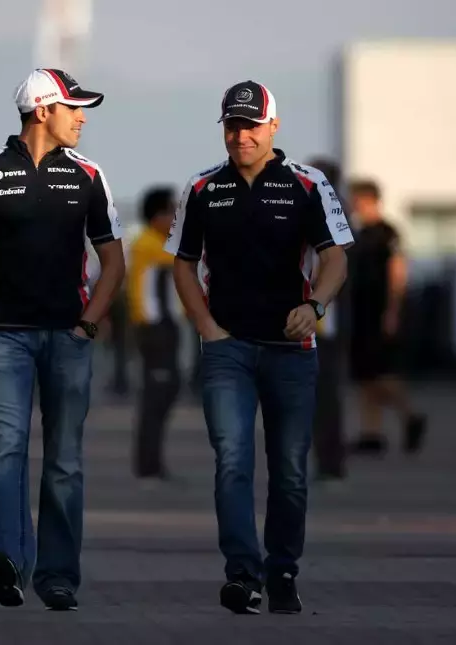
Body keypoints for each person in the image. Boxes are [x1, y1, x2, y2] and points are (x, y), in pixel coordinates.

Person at [0, 68, 124, 611]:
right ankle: (4, 561)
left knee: (64, 461)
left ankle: (57, 576)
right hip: (5, 337)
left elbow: (114, 263)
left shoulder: (89, 175)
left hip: (68, 338)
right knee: (6, 449)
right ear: (42, 110)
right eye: (73, 107)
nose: (82, 117)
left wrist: (88, 323)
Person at [165, 80, 353, 615]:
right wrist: (204, 325)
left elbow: (335, 257)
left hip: (291, 351)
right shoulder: (202, 188)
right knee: (232, 460)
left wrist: (315, 305)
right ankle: (242, 576)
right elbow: (181, 261)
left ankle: (283, 569)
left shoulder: (307, 183)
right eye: (231, 125)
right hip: (226, 350)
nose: (240, 135)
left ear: (273, 126)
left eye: (250, 125)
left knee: (290, 466)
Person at [345, 179, 427, 456]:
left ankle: (411, 415)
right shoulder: (360, 233)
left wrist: (392, 311)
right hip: (361, 312)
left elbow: (397, 272)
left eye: (357, 199)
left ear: (370, 200)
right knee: (365, 375)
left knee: (382, 374)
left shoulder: (386, 232)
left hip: (380, 312)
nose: (354, 205)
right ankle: (371, 433)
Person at [127, 186, 182, 480]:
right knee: (156, 397)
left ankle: (153, 463)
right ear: (157, 216)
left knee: (163, 393)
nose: (176, 218)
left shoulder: (157, 242)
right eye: (172, 212)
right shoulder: (150, 244)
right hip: (155, 329)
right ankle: (148, 466)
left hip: (163, 328)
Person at [306, 157, 348, 482]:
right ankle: (328, 461)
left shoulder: (325, 214)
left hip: (321, 323)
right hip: (324, 322)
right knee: (323, 396)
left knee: (324, 396)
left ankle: (330, 463)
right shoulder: (337, 213)